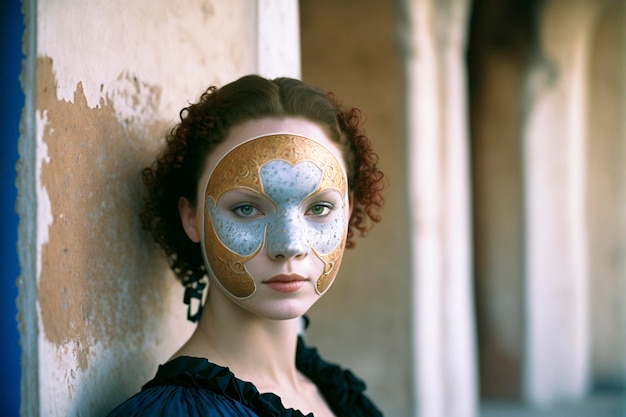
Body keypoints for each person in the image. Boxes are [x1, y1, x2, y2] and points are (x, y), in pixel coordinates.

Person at [106, 74, 385, 417]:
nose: (290, 246)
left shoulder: (332, 392)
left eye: (319, 208)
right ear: (191, 217)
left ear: (349, 210)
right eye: (246, 209)